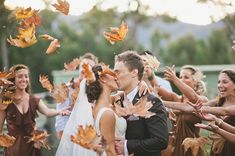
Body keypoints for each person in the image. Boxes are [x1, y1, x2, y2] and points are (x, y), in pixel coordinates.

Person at [56, 64, 127, 156]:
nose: (116, 77)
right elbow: (110, 151)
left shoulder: (98, 106)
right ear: (103, 79)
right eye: (111, 73)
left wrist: (142, 83)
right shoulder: (107, 113)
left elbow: (122, 93)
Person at [0, 64, 70, 156]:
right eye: (20, 77)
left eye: (26, 76)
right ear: (13, 80)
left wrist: (59, 112)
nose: (24, 79)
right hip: (13, 148)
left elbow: (47, 111)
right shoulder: (5, 102)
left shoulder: (34, 100)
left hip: (32, 147)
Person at [114, 50, 168, 156]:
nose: (115, 76)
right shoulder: (117, 100)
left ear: (134, 72)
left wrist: (127, 145)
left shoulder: (151, 102)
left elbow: (160, 140)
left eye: (118, 72)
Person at [55, 52, 98, 139]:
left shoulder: (97, 90)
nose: (86, 67)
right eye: (84, 64)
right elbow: (60, 119)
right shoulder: (66, 89)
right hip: (70, 136)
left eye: (90, 65)